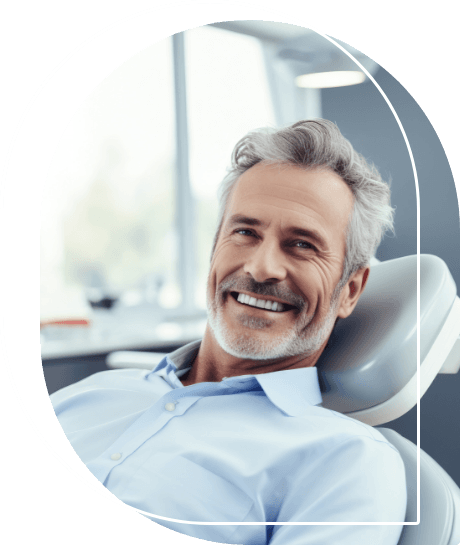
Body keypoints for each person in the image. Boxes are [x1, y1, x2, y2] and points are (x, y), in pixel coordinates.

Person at [51, 119, 407, 545]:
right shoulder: (88, 394)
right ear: (215, 246)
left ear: (349, 290)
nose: (260, 268)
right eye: (244, 232)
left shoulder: (349, 462)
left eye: (302, 245)